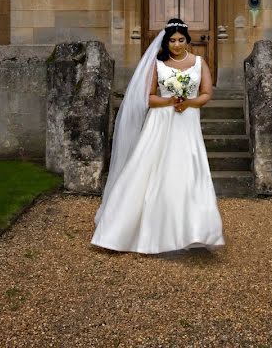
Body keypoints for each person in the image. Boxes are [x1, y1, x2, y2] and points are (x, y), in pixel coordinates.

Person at [91, 18, 226, 254]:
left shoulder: (199, 62)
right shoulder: (158, 64)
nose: (176, 44)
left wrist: (189, 103)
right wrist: (169, 101)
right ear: (166, 41)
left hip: (187, 122)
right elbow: (148, 97)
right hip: (161, 121)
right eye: (172, 40)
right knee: (148, 168)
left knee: (189, 169)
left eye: (180, 40)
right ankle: (126, 229)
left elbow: (206, 93)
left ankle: (194, 229)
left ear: (187, 40)